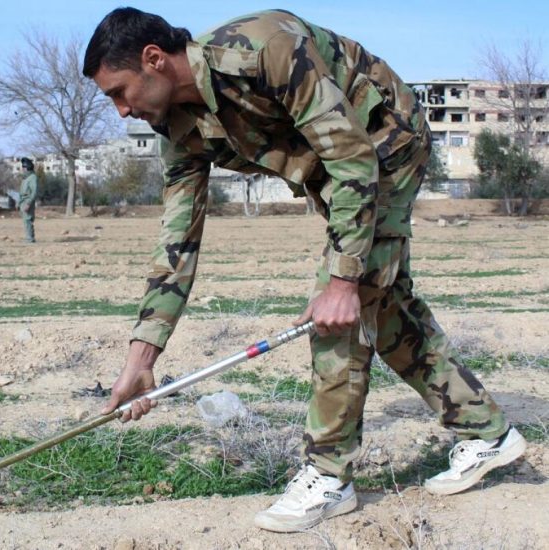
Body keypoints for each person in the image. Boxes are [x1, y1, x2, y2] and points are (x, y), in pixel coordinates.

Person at [83, 8, 526, 533]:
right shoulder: (177, 129)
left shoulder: (263, 49)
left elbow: (354, 156)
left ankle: (328, 474)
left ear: (153, 59)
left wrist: (342, 281)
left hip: (386, 145)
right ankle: (487, 432)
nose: (119, 110)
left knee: (341, 308)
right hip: (339, 178)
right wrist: (142, 356)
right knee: (382, 309)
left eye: (119, 91)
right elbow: (177, 241)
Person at [19, 157, 38, 243]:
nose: (22, 169)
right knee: (25, 220)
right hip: (23, 200)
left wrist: (29, 203)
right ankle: (29, 237)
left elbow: (34, 192)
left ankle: (30, 238)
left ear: (28, 167)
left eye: (24, 167)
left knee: (28, 219)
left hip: (28, 200)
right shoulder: (26, 178)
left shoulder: (32, 177)